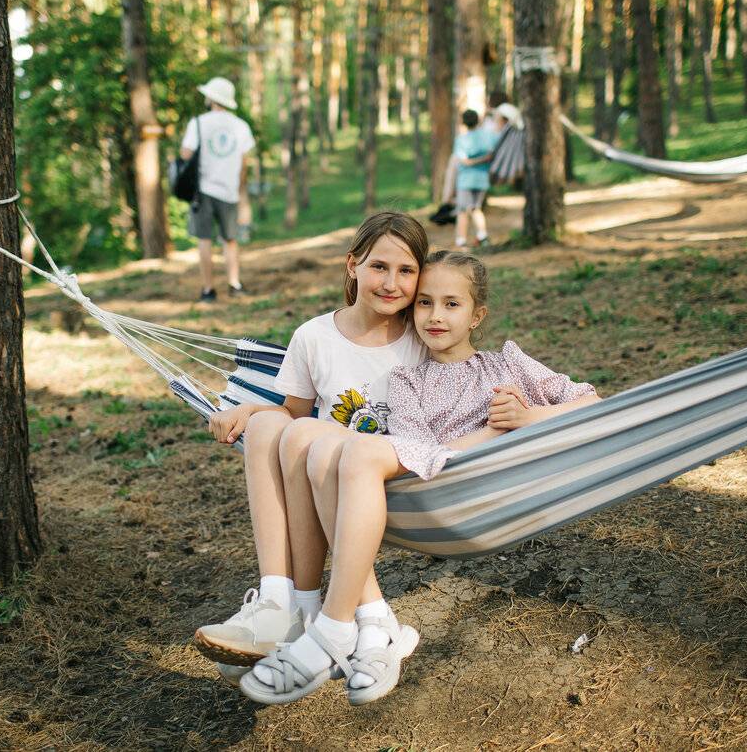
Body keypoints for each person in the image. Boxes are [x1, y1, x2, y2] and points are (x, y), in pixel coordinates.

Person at [238, 250, 600, 706]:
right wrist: (488, 432)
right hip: (433, 483)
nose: (435, 315)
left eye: (452, 304)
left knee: (352, 450)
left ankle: (333, 624)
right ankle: (341, 619)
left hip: (494, 485)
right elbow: (419, 449)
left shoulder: (507, 364)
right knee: (338, 447)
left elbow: (590, 400)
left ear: (476, 316)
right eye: (424, 303)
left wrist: (529, 416)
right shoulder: (407, 381)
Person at [192, 212, 430, 682]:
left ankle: (312, 609)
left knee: (306, 439)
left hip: (390, 474)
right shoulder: (314, 337)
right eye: (379, 267)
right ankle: (278, 599)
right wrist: (248, 412)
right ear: (352, 265)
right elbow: (295, 413)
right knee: (267, 428)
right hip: (322, 475)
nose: (391, 282)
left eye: (406, 271)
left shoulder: (425, 335)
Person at [180, 77, 256, 303]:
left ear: (211, 98)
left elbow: (185, 154)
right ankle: (234, 284)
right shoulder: (240, 125)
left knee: (204, 239)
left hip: (203, 190)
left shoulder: (199, 123)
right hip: (229, 190)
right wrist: (240, 189)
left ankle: (208, 290)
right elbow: (244, 162)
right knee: (230, 239)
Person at [452, 109, 500, 249]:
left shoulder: (461, 140)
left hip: (465, 180)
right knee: (476, 209)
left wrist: (474, 161)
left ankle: (461, 241)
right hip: (482, 179)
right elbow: (494, 153)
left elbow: (464, 161)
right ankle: (482, 236)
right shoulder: (489, 136)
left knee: (462, 210)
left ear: (463, 122)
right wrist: (485, 159)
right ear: (477, 121)